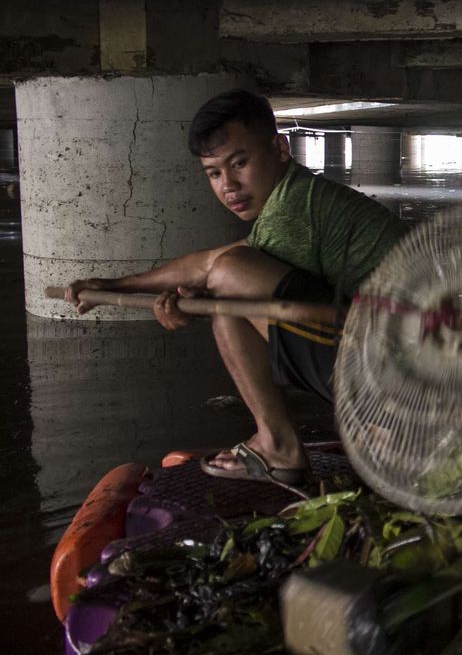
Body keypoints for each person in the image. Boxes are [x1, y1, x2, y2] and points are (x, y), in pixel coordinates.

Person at [66, 90, 407, 488]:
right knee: (226, 291)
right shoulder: (296, 198)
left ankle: (306, 441)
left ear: (280, 148)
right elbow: (205, 265)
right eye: (213, 173)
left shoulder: (293, 212)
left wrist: (197, 301)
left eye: (240, 163)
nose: (228, 185)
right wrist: (113, 285)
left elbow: (221, 272)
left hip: (404, 380)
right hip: (393, 360)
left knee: (228, 283)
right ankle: (279, 444)